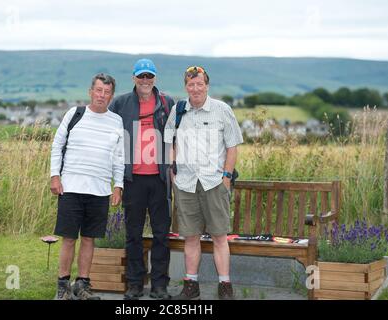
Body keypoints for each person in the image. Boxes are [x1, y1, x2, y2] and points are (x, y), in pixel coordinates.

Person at [164, 66, 243, 300]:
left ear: (207, 85)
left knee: (219, 236)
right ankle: (191, 286)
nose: (195, 89)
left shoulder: (222, 110)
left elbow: (232, 146)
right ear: (186, 87)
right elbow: (170, 144)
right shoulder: (178, 111)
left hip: (214, 183)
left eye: (200, 84)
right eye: (191, 84)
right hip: (186, 184)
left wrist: (226, 178)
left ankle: (225, 286)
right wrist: (173, 175)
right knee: (190, 237)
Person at [50, 73, 124, 300]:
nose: (102, 95)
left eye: (107, 92)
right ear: (90, 91)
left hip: (100, 190)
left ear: (112, 95)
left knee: (89, 239)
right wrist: (55, 176)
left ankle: (82, 285)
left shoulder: (116, 121)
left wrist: (118, 185)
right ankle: (63, 287)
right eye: (99, 90)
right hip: (70, 187)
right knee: (69, 238)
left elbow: (119, 157)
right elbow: (57, 145)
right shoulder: (75, 114)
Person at [109, 58, 174, 300]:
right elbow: (110, 135)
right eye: (141, 76)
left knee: (161, 234)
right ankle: (135, 284)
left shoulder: (167, 102)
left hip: (159, 179)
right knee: (133, 234)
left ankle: (159, 285)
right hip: (133, 179)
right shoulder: (121, 103)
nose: (145, 80)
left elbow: (176, 137)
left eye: (149, 76)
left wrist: (174, 167)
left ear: (155, 78)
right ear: (134, 78)